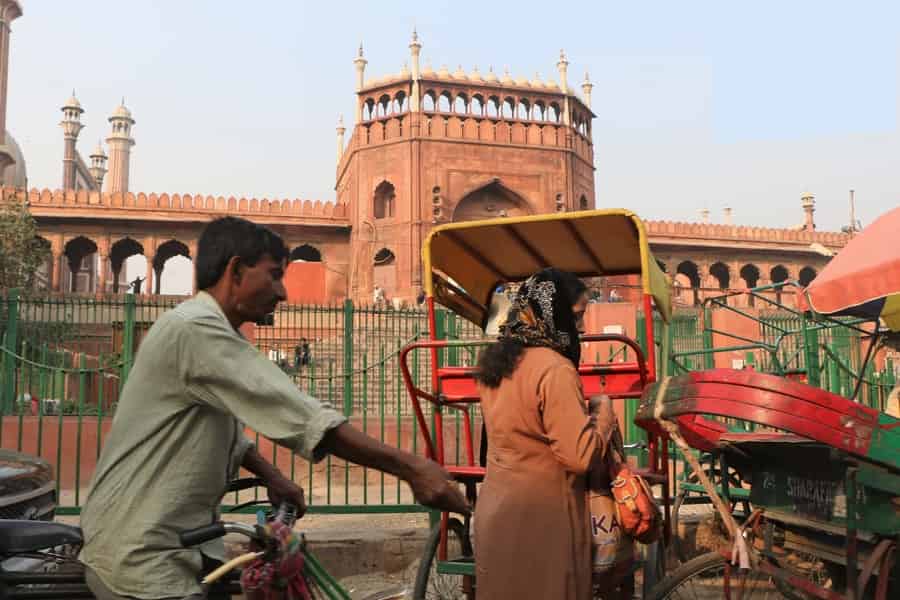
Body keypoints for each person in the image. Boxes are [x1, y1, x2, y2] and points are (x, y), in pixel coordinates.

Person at [79, 217, 469, 600]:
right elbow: (300, 413)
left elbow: (226, 429)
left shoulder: (208, 331)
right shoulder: (194, 329)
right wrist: (412, 468)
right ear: (235, 271)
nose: (282, 292)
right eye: (274, 275)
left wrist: (271, 475)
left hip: (177, 545)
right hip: (142, 555)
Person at [473, 268, 616, 600]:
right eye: (576, 315)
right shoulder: (554, 368)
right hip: (544, 521)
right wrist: (604, 415)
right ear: (554, 312)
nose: (579, 327)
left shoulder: (497, 364)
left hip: (497, 513)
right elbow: (579, 456)